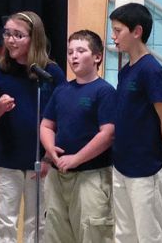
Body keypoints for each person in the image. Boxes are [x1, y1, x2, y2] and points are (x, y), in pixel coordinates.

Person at [0, 11, 66, 242]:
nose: (11, 40)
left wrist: (48, 156)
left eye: (18, 35)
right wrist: (0, 106)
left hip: (41, 161)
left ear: (34, 38)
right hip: (7, 160)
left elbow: (63, 117)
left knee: (38, 224)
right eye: (7, 33)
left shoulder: (51, 73)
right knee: (3, 222)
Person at [109, 2, 162, 243]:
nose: (113, 36)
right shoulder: (127, 70)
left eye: (118, 31)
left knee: (150, 234)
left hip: (146, 166)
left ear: (137, 31)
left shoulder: (151, 70)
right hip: (122, 164)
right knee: (124, 233)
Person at [40, 30, 116, 243]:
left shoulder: (104, 91)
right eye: (70, 51)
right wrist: (51, 149)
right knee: (56, 232)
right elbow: (46, 125)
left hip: (90, 175)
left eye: (81, 51)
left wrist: (76, 158)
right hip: (58, 175)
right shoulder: (62, 90)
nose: (73, 56)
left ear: (97, 57)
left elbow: (108, 134)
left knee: (92, 232)